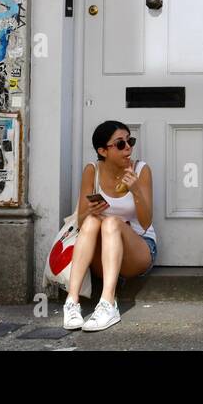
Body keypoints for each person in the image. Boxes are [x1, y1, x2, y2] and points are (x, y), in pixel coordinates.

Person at [63, 120, 157, 332]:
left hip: (139, 250)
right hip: (101, 256)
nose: (129, 148)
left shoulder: (141, 170)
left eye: (130, 141)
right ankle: (72, 301)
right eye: (120, 144)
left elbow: (146, 221)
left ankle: (107, 303)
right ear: (103, 151)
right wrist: (92, 211)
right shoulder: (92, 171)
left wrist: (136, 190)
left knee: (112, 222)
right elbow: (80, 222)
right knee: (91, 221)